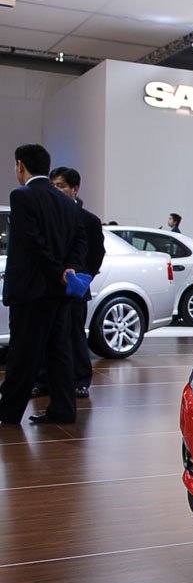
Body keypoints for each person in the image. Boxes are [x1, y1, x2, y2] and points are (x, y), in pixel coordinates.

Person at [0, 144, 87, 425]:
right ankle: (63, 409)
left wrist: (57, 271)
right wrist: (68, 269)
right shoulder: (68, 202)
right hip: (58, 293)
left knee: (22, 354)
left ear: (20, 165)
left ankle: (8, 413)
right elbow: (79, 241)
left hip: (30, 291)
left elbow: (32, 242)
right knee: (58, 353)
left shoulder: (22, 196)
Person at [31, 167, 105, 399]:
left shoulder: (89, 220)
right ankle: (43, 381)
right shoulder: (45, 215)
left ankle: (80, 380)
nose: (56, 190)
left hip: (74, 288)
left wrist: (82, 277)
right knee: (45, 336)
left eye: (61, 186)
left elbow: (96, 253)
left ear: (75, 189)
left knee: (74, 334)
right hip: (48, 287)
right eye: (53, 185)